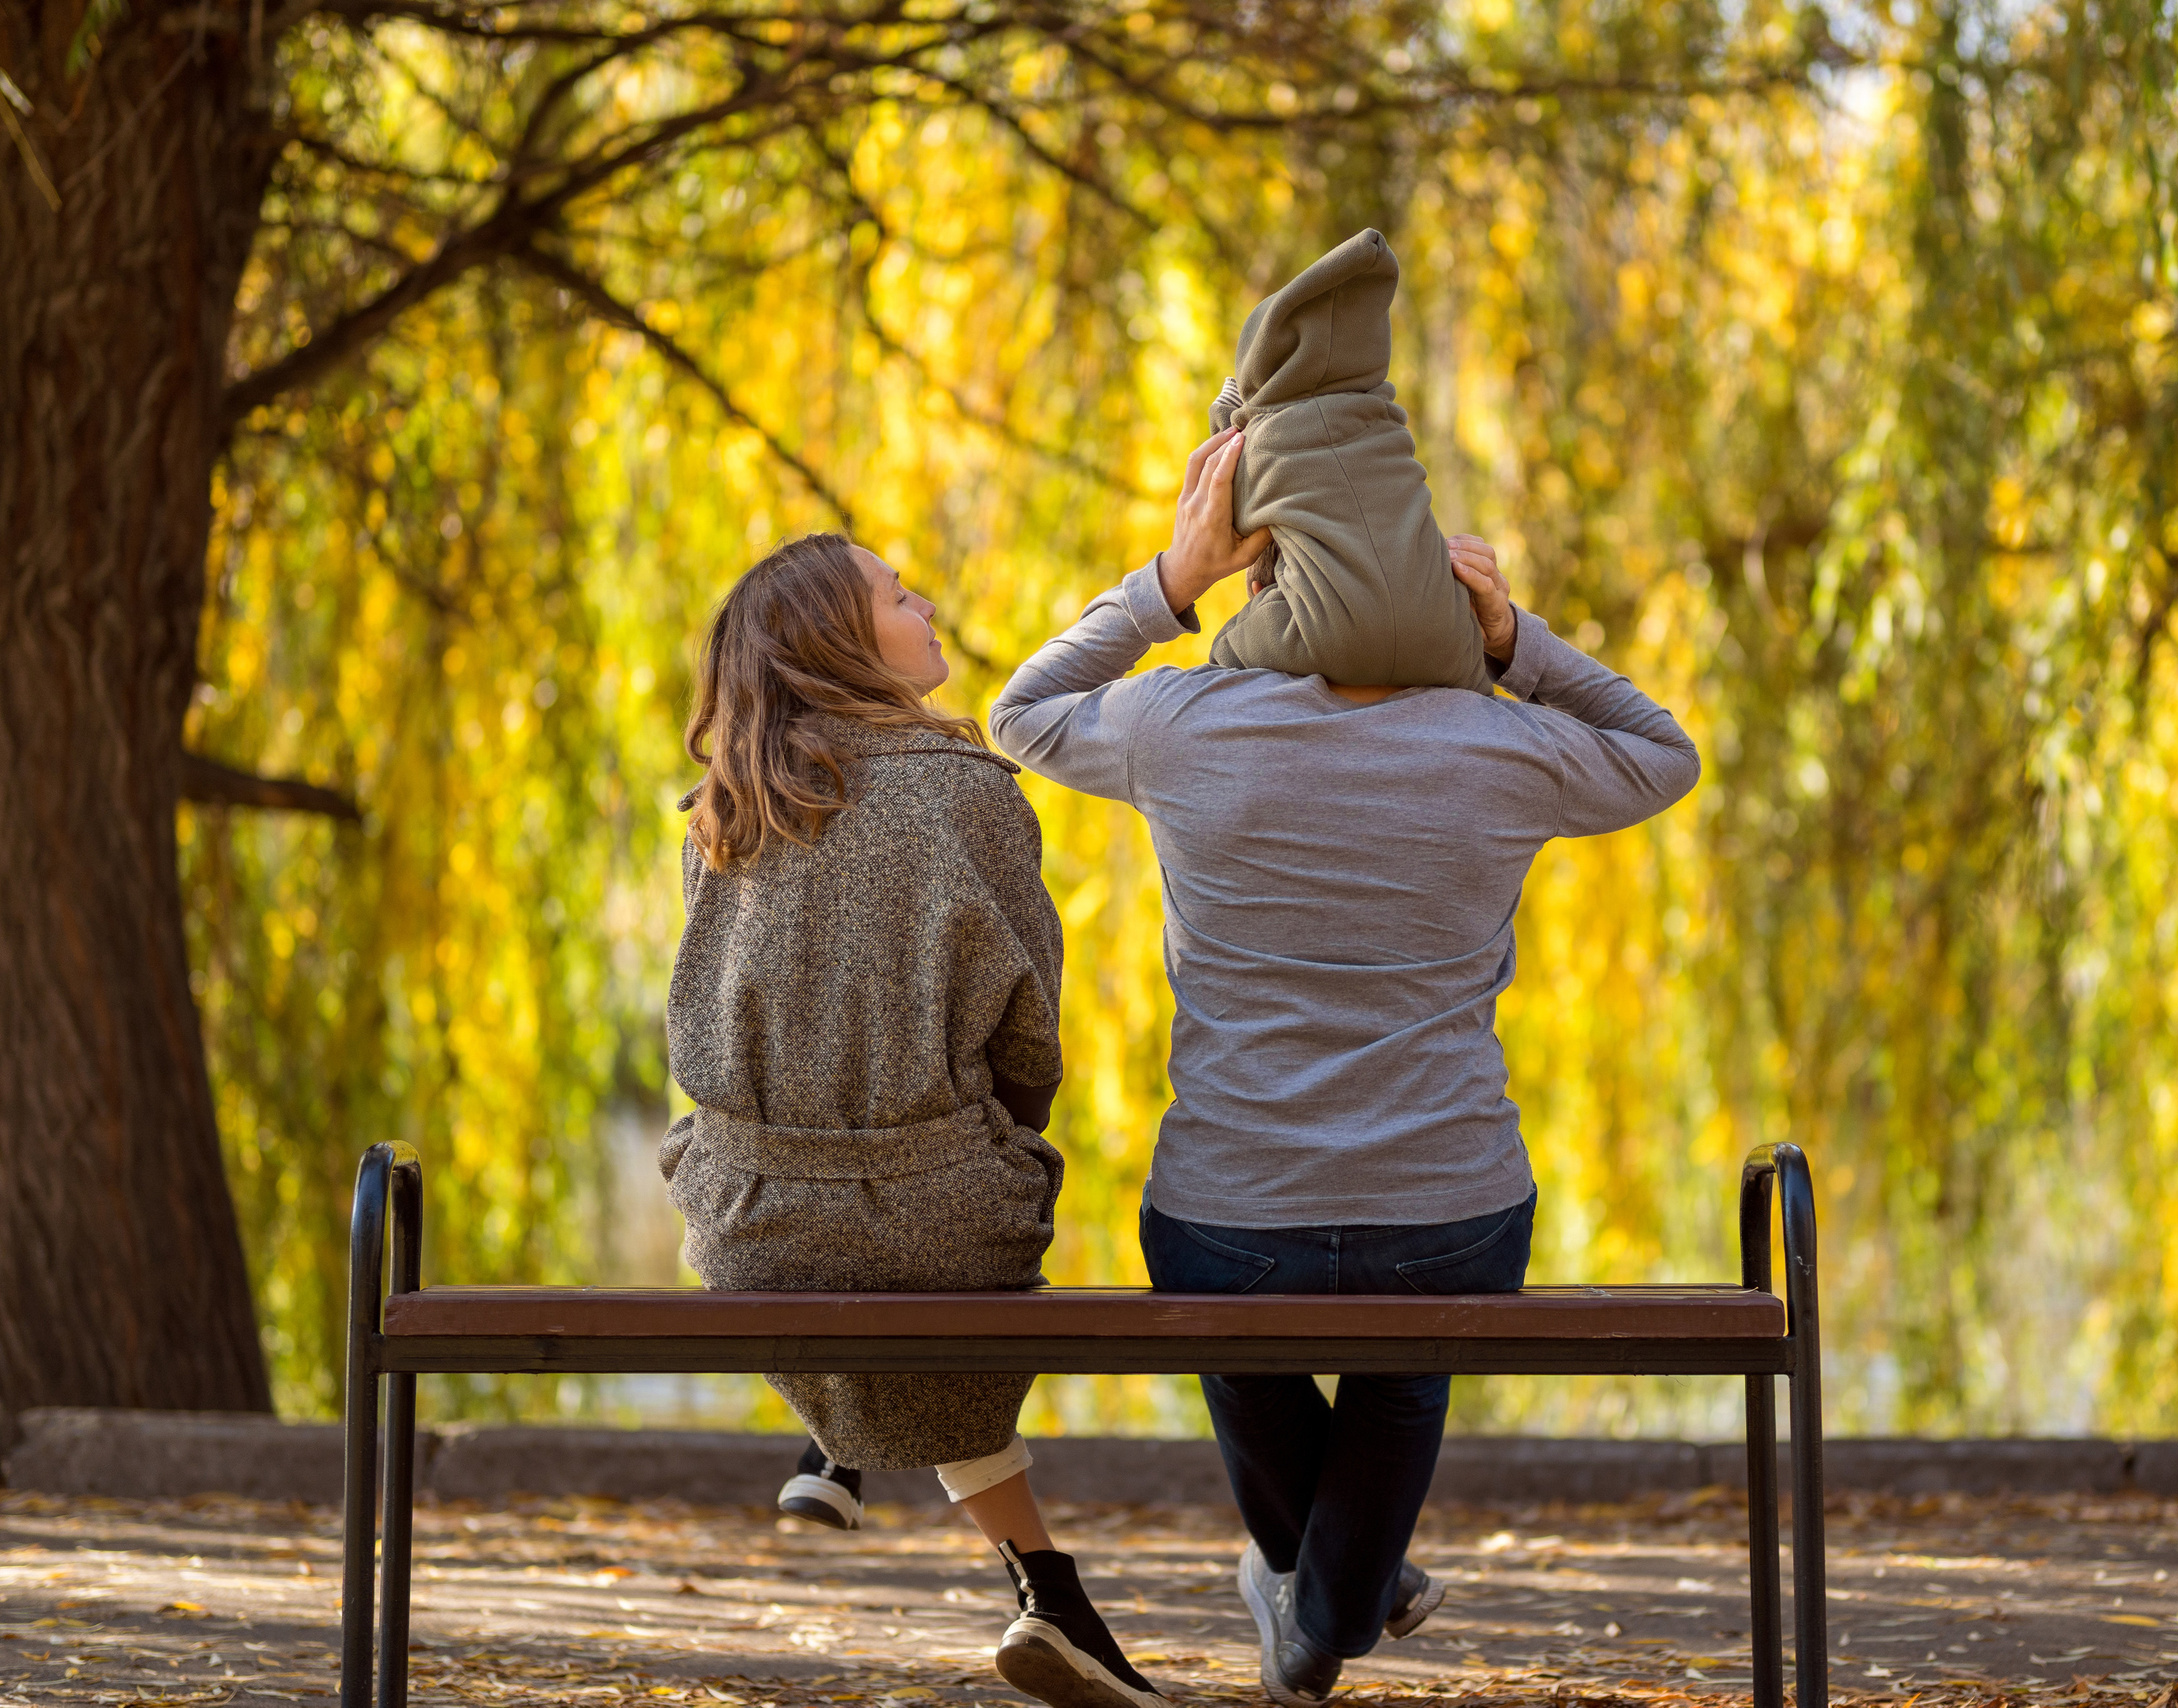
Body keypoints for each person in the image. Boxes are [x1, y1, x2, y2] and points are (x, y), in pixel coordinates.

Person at [989, 432, 1701, 1706]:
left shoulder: (1179, 723)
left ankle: (1321, 1610)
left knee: (1230, 1327)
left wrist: (1169, 580)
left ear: (1266, 582)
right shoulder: (1499, 744)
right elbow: (1662, 751)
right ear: (1419, 584)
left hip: (1228, 1215)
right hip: (1448, 1214)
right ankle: (1335, 1605)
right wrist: (1512, 642)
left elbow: (1020, 713)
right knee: (1401, 1372)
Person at [661, 533, 1166, 1708]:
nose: (926, 601)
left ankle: (861, 1465)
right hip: (935, 1220)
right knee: (945, 1212)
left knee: (851, 1234)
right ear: (838, 638)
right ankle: (1030, 1584)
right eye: (896, 594)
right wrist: (1007, 1136)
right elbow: (1027, 1041)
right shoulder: (965, 790)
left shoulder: (723, 808)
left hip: (747, 1222)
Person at [1204, 228, 1490, 695]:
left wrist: (1227, 416)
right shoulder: (1385, 422)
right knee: (1470, 666)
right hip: (1443, 630)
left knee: (1225, 653)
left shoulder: (1265, 444)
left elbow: (1221, 495)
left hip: (1326, 632)